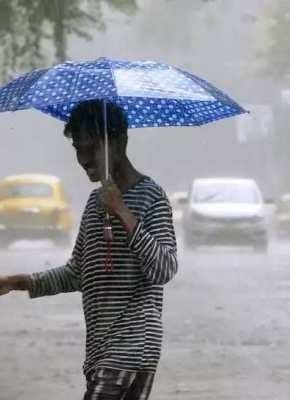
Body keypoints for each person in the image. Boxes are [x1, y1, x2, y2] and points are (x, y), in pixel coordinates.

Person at [0, 100, 178, 399]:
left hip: (131, 348)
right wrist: (16, 282)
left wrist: (122, 211)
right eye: (77, 149)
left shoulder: (151, 197)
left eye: (92, 147)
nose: (83, 159)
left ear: (119, 142)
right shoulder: (95, 203)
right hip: (101, 350)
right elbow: (78, 273)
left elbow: (164, 269)